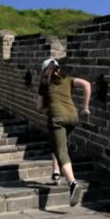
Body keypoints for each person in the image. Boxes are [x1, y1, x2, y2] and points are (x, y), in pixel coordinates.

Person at [36, 58, 91, 206]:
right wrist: (85, 106)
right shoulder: (68, 79)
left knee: (61, 151)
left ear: (44, 71)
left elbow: (39, 107)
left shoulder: (43, 84)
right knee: (57, 144)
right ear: (58, 70)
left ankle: (72, 183)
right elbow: (86, 84)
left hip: (57, 119)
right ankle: (56, 172)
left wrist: (48, 99)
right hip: (73, 117)